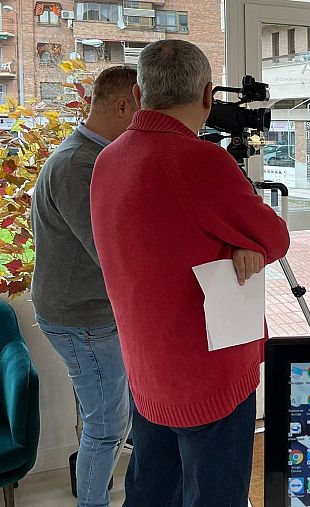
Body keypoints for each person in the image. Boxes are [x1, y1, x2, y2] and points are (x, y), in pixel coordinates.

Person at [90, 40, 290, 505]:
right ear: (207, 96)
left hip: (147, 366)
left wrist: (235, 242)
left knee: (152, 490)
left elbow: (165, 240)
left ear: (139, 95)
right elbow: (275, 238)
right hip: (208, 376)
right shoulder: (201, 161)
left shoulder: (107, 160)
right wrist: (244, 241)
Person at [30, 66, 138, 507]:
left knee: (115, 420)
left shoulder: (91, 157)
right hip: (82, 318)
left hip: (88, 312)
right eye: (143, 113)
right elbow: (109, 251)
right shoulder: (79, 164)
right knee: (107, 427)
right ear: (122, 105)